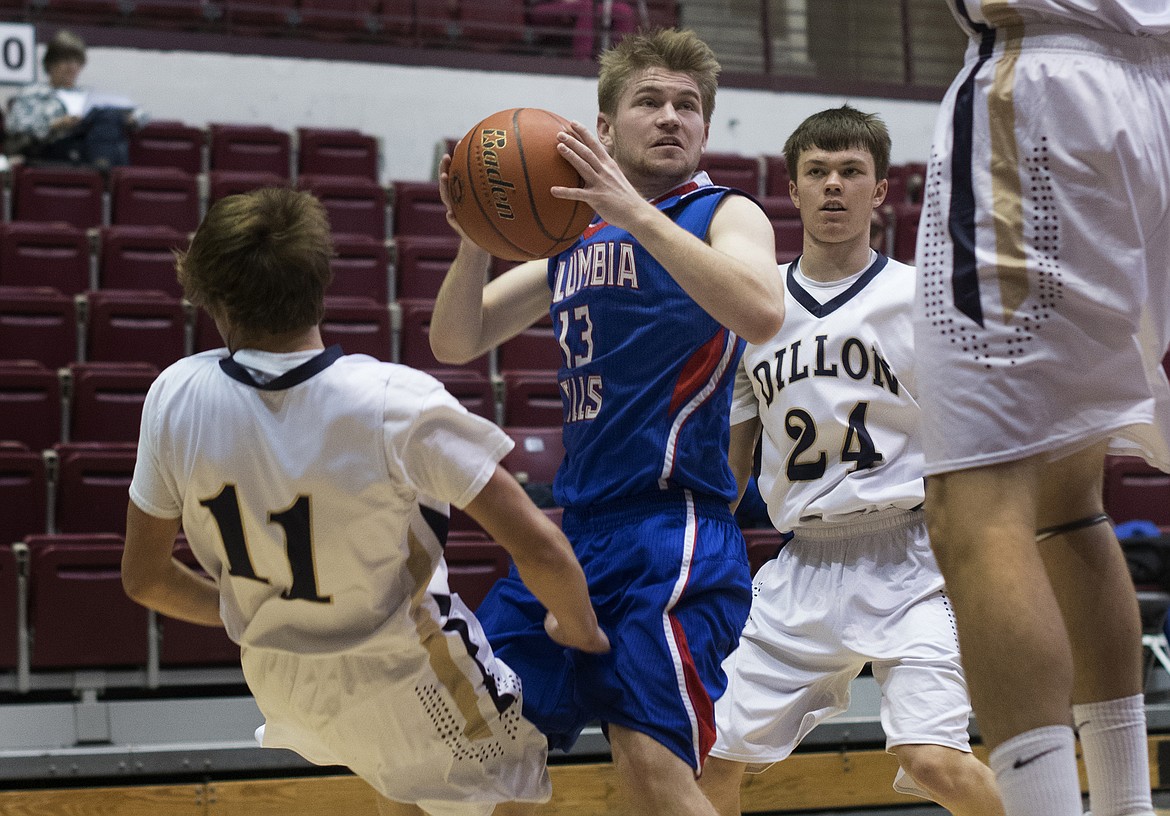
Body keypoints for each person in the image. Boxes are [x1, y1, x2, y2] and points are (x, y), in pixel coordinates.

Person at [120, 187, 610, 816]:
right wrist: (582, 632)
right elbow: (538, 545)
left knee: (397, 786)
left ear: (208, 294)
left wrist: (263, 613)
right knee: (509, 788)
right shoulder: (393, 402)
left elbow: (145, 580)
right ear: (324, 279)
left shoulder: (174, 394)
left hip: (285, 686)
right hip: (409, 676)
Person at [430, 27, 784, 816]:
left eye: (688, 106)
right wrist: (474, 241)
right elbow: (456, 340)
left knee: (653, 772)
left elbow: (762, 311)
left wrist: (638, 213)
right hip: (571, 535)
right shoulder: (571, 236)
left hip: (674, 528)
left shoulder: (726, 214)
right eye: (649, 102)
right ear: (603, 127)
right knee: (477, 753)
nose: (670, 117)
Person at [697, 105, 1004, 816]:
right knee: (709, 755)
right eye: (818, 172)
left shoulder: (920, 297)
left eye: (850, 172)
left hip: (913, 555)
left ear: (880, 190)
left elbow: (973, 440)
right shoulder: (754, 305)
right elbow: (732, 469)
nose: (833, 186)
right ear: (793, 189)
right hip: (802, 559)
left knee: (934, 762)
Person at [910, 3, 1170, 815]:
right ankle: (1127, 807)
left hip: (1047, 85)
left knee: (977, 505)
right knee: (1066, 497)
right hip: (1151, 91)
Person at [6, 29, 141, 167]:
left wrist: (129, 119)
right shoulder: (33, 93)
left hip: (87, 146)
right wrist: (54, 125)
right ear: (51, 63)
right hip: (49, 149)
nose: (72, 67)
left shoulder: (89, 95)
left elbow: (141, 115)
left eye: (77, 61)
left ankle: (102, 169)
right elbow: (16, 128)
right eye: (66, 60)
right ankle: (102, 173)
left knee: (109, 118)